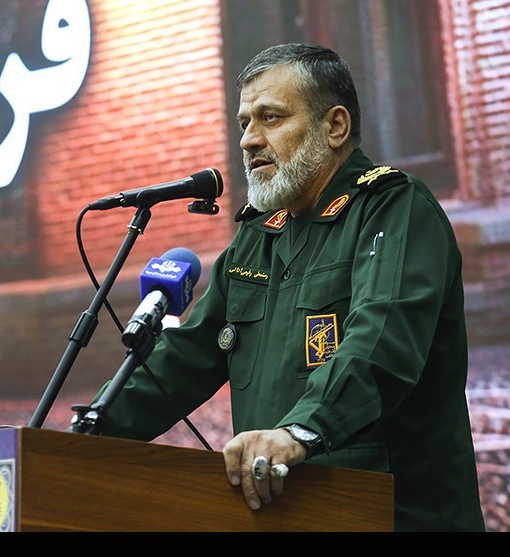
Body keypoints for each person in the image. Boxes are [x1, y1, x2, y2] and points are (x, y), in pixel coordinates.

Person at [87, 43, 485, 532]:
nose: (248, 140)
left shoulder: (393, 208)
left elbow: (382, 342)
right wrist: (82, 435)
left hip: (395, 517)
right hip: (285, 518)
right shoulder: (259, 236)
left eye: (270, 118)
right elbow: (179, 361)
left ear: (334, 126)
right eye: (244, 123)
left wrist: (301, 431)